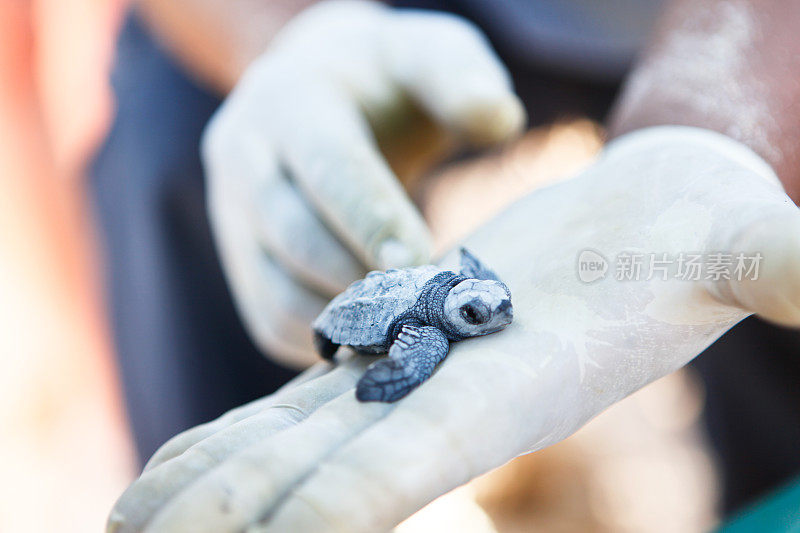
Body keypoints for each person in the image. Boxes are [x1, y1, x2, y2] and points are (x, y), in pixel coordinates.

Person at [95, 0, 800, 530]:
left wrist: (710, 135)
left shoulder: (457, 299)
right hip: (406, 18)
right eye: (475, 310)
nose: (490, 312)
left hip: (743, 36)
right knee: (175, 142)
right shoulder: (426, 325)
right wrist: (294, 41)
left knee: (734, 254)